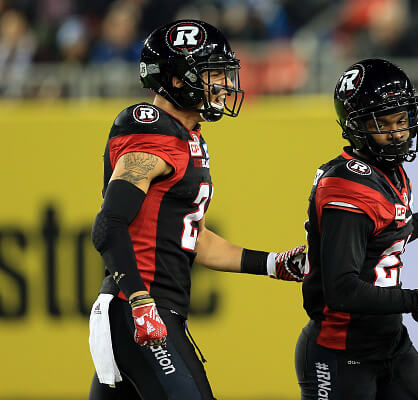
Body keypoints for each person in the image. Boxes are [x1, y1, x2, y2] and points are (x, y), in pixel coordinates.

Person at [87, 19, 306, 400]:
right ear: (176, 79)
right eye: (213, 74)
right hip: (136, 308)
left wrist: (272, 263)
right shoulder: (151, 129)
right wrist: (140, 301)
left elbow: (195, 239)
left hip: (150, 310)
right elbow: (109, 225)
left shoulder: (188, 135)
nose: (224, 85)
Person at [295, 59, 418, 400]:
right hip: (342, 351)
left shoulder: (389, 172)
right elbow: (343, 291)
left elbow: (391, 234)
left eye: (402, 120)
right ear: (355, 127)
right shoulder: (345, 186)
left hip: (390, 343)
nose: (397, 132)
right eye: (384, 124)